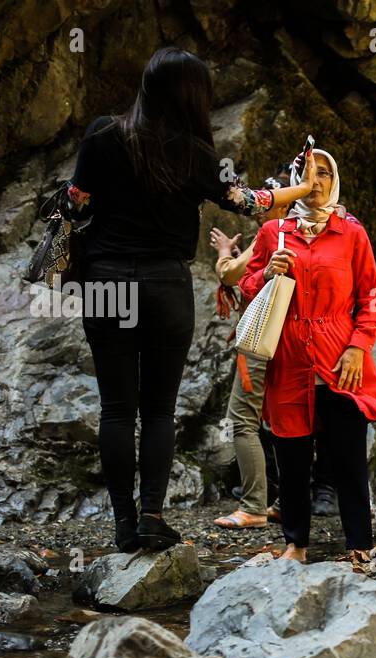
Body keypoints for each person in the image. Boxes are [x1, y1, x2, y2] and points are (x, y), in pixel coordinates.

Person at [61, 47, 316, 553]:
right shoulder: (197, 155)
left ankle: (123, 525)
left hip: (107, 282)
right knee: (158, 411)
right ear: (193, 96)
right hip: (164, 286)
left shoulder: (103, 134)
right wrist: (304, 187)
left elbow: (75, 201)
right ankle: (152, 516)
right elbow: (249, 203)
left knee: (116, 410)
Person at [239, 140, 376, 561]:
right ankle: (296, 546)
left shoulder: (352, 233)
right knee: (292, 457)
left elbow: (372, 296)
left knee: (348, 463)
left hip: (341, 359)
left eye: (324, 173)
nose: (316, 181)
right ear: (294, 182)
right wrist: (266, 273)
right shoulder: (274, 232)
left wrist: (359, 347)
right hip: (288, 360)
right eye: (308, 173)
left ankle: (360, 547)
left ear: (335, 180)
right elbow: (246, 290)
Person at [210, 165, 339, 530]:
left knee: (244, 420)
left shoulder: (276, 231)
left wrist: (223, 252)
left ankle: (253, 505)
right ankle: (289, 500)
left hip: (266, 339)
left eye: (268, 199)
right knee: (290, 421)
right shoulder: (325, 231)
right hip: (305, 343)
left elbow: (231, 275)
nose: (261, 208)